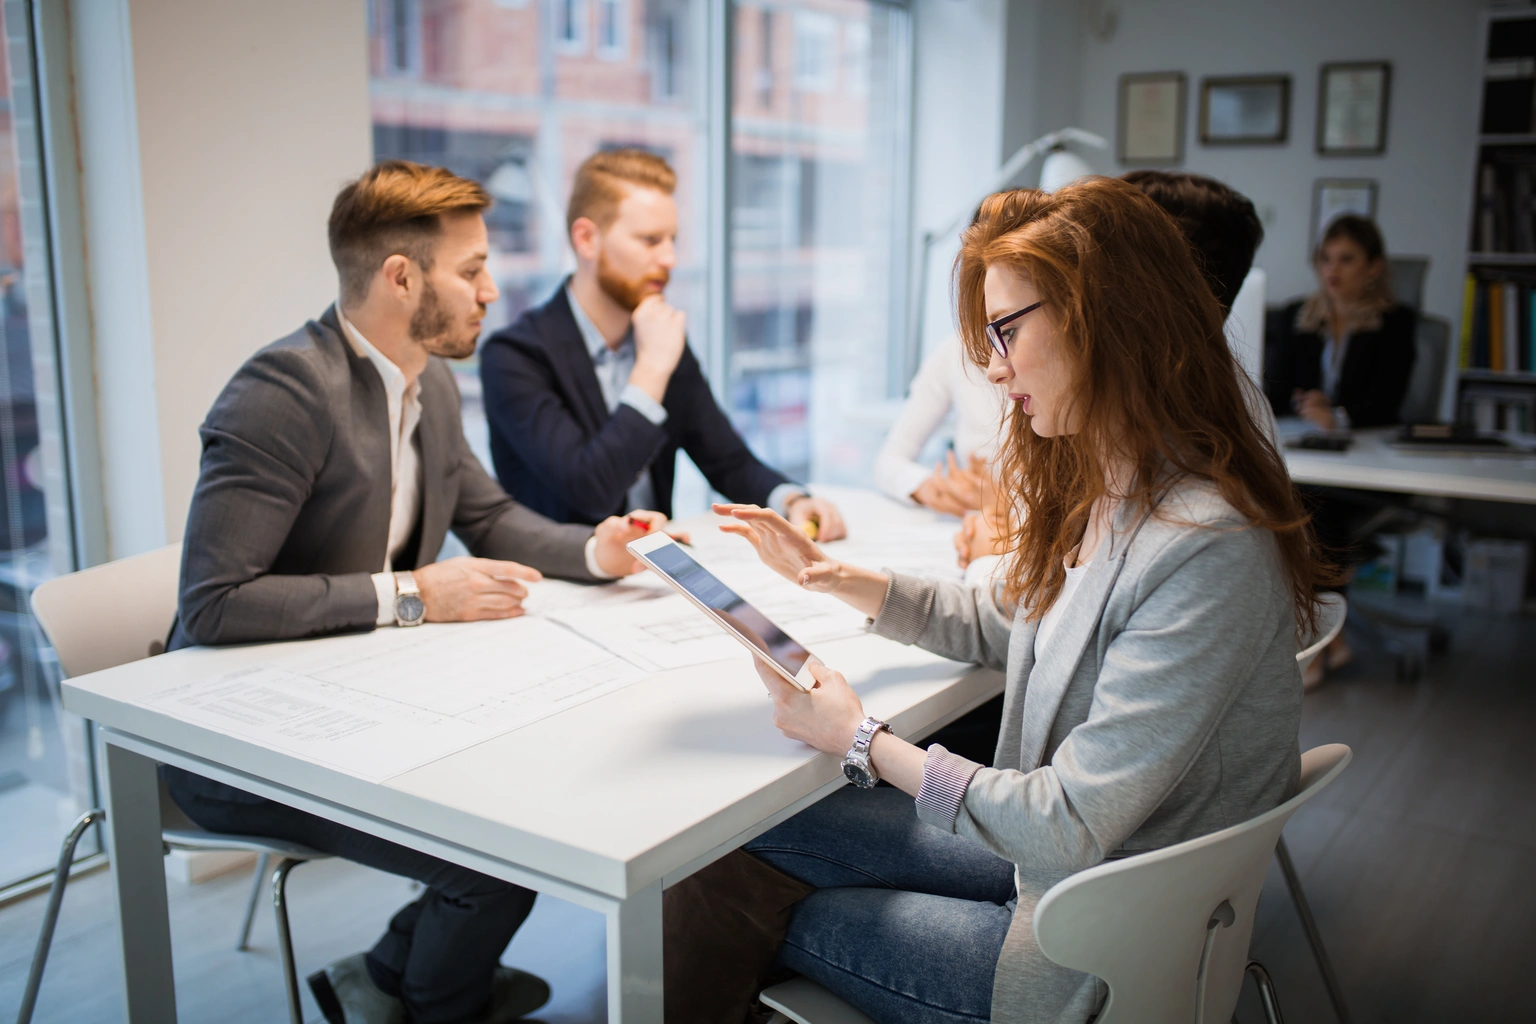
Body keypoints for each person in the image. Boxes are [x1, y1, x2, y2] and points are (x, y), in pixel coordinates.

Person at [702, 177, 1330, 1024]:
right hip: (1068, 874)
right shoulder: (1118, 484)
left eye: (1005, 332)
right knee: (742, 843)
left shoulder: (1204, 548)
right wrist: (832, 574)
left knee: (757, 895)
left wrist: (860, 740)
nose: (993, 370)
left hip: (1085, 944)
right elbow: (1008, 620)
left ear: (1103, 318)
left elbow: (1063, 823)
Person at [168, 160, 666, 1024]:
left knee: (533, 806)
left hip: (359, 701)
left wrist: (599, 549)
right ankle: (436, 999)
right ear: (402, 277)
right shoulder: (283, 391)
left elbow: (493, 516)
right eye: (472, 269)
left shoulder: (428, 379)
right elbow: (214, 604)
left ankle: (393, 977)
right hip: (235, 743)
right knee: (495, 856)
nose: (492, 289)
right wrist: (413, 596)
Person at [478, 148, 845, 539]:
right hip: (561, 587)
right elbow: (590, 491)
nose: (669, 258)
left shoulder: (659, 339)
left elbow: (727, 460)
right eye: (650, 240)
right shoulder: (515, 356)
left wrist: (789, 500)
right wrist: (651, 369)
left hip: (656, 577)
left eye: (672, 240)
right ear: (586, 239)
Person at [955, 172, 1269, 581]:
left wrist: (991, 559)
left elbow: (1087, 611)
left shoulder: (1203, 533)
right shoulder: (1108, 453)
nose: (996, 370)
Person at [1263, 214, 1416, 431]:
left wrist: (1337, 416)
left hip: (1367, 439)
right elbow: (1275, 391)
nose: (1332, 270)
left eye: (1346, 259)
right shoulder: (1297, 314)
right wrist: (1303, 403)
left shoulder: (1395, 321)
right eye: (1326, 258)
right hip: (1305, 432)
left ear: (1374, 267)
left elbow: (1386, 402)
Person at [871, 334, 1004, 514]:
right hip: (973, 522)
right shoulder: (956, 351)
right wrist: (934, 487)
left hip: (1025, 530)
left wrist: (1003, 502)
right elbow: (887, 461)